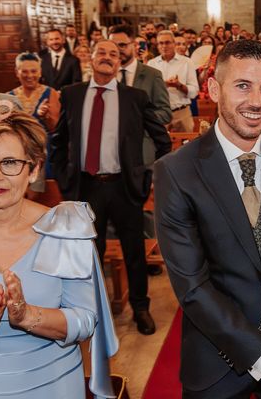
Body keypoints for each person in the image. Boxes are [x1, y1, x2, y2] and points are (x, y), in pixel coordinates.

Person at [154, 39, 261, 398]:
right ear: (214, 88)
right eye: (243, 86)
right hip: (218, 360)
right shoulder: (177, 172)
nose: (256, 101)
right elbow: (192, 287)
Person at [0, 107, 117, 398]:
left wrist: (26, 316)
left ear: (34, 168)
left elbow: (86, 320)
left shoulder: (63, 228)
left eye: (9, 162)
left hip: (52, 383)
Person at [51, 40, 171, 336]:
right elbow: (58, 140)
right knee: (90, 253)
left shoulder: (135, 98)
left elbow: (162, 141)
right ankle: (92, 310)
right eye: (101, 52)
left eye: (114, 54)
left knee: (133, 251)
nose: (107, 58)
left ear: (120, 62)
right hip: (85, 187)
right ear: (90, 59)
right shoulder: (72, 95)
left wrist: (148, 176)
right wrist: (65, 182)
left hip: (123, 187)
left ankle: (140, 307)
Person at [108, 24, 172, 166]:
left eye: (122, 45)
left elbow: (166, 112)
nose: (117, 50)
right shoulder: (106, 75)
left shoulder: (152, 75)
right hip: (110, 152)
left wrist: (140, 118)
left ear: (134, 45)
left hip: (141, 148)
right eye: (113, 46)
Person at [8, 52, 60, 193]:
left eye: (33, 71)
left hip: (44, 152)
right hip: (17, 153)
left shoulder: (51, 93)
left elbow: (55, 128)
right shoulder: (9, 97)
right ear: (17, 72)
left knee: (46, 196)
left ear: (40, 72)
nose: (29, 75)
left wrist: (45, 117)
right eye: (24, 71)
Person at [148, 30, 199, 132]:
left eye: (167, 42)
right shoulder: (151, 64)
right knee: (159, 147)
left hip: (181, 112)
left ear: (174, 44)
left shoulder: (186, 62)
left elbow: (194, 92)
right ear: (157, 45)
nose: (164, 46)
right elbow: (148, 92)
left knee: (185, 146)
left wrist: (179, 85)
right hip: (159, 113)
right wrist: (163, 85)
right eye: (161, 43)